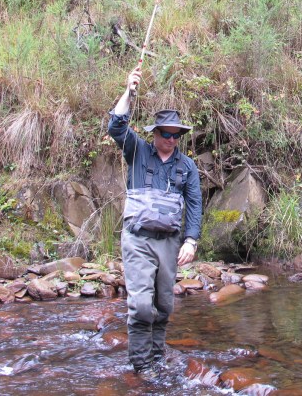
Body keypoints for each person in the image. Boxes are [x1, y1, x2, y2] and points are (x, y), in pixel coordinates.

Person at [107, 65, 202, 377]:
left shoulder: (187, 166)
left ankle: (157, 360)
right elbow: (116, 127)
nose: (172, 140)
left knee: (164, 306)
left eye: (177, 135)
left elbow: (195, 204)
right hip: (137, 239)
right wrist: (129, 92)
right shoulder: (137, 151)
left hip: (170, 242)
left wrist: (191, 240)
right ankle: (140, 365)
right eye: (166, 134)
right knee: (142, 307)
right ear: (155, 133)